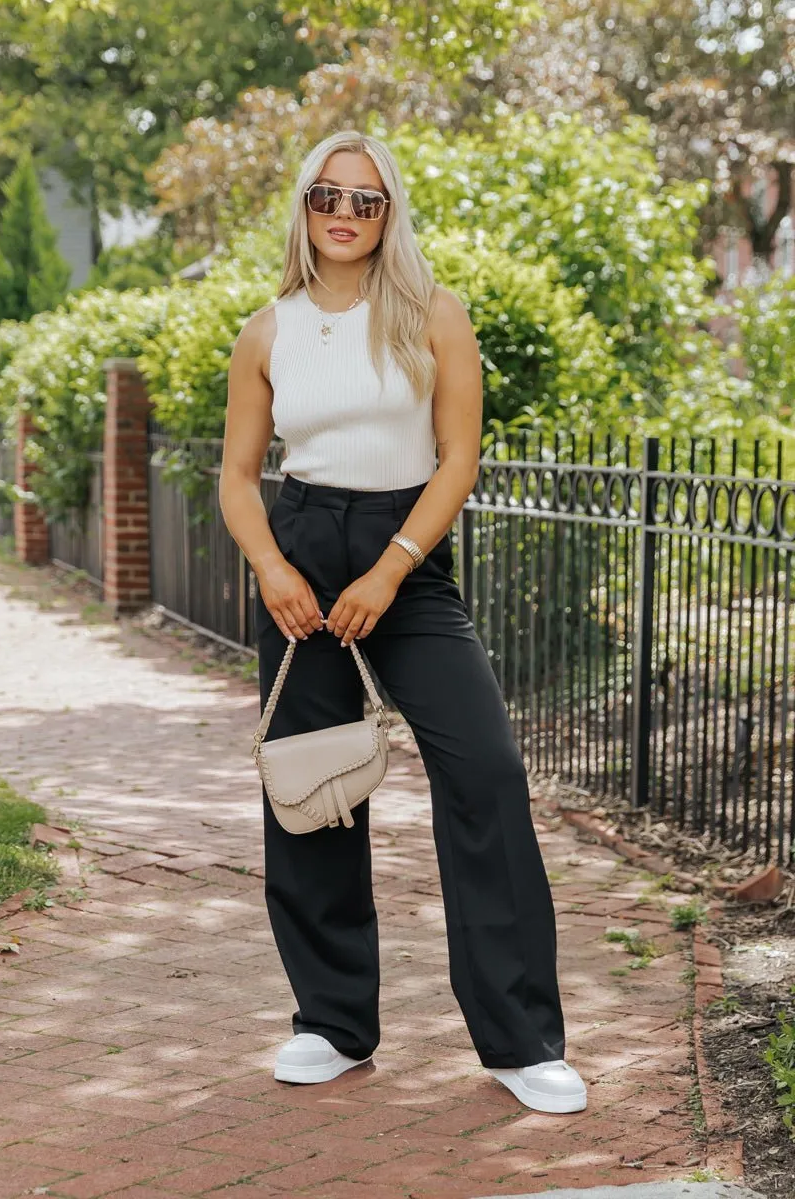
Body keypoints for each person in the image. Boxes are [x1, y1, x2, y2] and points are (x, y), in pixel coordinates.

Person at [218, 130, 586, 1115]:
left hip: (406, 559)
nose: (344, 212)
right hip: (297, 548)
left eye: (366, 200)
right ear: (303, 207)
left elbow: (456, 457)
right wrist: (268, 565)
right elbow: (235, 474)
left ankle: (520, 1039)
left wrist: (390, 568)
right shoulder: (266, 331)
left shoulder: (433, 315)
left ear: (389, 216)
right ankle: (332, 1023)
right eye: (328, 196)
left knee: (486, 770)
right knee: (315, 783)